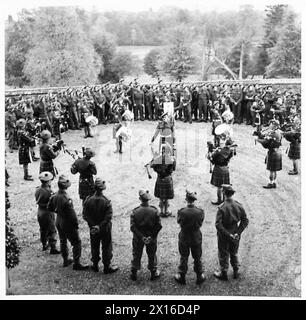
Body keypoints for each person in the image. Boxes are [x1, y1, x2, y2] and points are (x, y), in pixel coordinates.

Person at [47, 175, 88, 270]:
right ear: (66, 187)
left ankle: (65, 260)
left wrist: (57, 211)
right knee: (76, 242)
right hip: (66, 222)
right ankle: (77, 263)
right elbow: (72, 215)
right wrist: (76, 224)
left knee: (62, 240)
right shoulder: (66, 199)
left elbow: (49, 207)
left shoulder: (54, 196)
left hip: (58, 220)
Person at [82, 178, 119, 274]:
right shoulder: (106, 202)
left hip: (93, 229)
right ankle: (107, 267)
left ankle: (95, 265)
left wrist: (93, 225)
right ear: (102, 189)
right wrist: (99, 226)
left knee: (94, 246)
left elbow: (85, 215)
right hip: (104, 229)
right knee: (106, 247)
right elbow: (108, 217)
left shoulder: (88, 200)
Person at [214, 184, 249, 281]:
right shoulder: (238, 205)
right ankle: (236, 271)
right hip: (235, 232)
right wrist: (238, 232)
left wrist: (228, 234)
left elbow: (218, 224)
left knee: (223, 253)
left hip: (224, 234)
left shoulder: (222, 207)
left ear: (224, 193)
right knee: (234, 252)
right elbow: (245, 220)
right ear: (232, 194)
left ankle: (223, 272)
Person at [174, 190, 206, 285]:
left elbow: (179, 222)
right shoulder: (200, 212)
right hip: (196, 237)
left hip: (184, 236)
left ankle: (182, 276)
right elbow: (200, 222)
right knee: (197, 257)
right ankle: (199, 276)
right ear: (194, 200)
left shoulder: (181, 212)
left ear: (186, 199)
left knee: (184, 256)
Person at [130, 190, 162, 281]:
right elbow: (158, 226)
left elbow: (133, 227)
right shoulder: (154, 211)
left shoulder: (135, 211)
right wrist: (151, 237)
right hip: (151, 238)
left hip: (138, 238)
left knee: (136, 254)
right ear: (149, 199)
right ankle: (153, 272)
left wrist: (142, 237)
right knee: (152, 254)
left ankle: (134, 272)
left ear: (140, 199)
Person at [35, 171, 60, 254]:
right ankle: (53, 247)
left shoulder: (38, 189)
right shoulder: (49, 192)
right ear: (48, 181)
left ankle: (44, 244)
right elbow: (52, 202)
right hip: (47, 212)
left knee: (43, 229)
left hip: (40, 211)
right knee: (52, 230)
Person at [150, 140, 175, 217]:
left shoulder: (158, 158)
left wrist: (158, 169)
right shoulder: (172, 159)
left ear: (162, 150)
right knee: (166, 198)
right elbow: (173, 169)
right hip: (167, 179)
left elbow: (151, 165)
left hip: (160, 178)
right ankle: (166, 211)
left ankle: (161, 211)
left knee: (161, 197)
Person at [256, 119, 282, 188]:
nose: (269, 125)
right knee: (274, 170)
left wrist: (258, 139)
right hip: (277, 151)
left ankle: (271, 183)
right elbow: (266, 137)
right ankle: (274, 182)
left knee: (271, 170)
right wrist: (260, 135)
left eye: (271, 124)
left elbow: (266, 142)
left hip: (273, 152)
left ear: (274, 126)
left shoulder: (274, 133)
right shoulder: (277, 131)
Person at [209, 138, 234, 205]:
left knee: (219, 187)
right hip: (225, 169)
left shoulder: (219, 151)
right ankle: (224, 200)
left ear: (225, 144)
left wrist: (212, 154)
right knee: (225, 186)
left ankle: (219, 200)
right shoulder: (231, 151)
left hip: (218, 169)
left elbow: (212, 159)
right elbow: (228, 159)